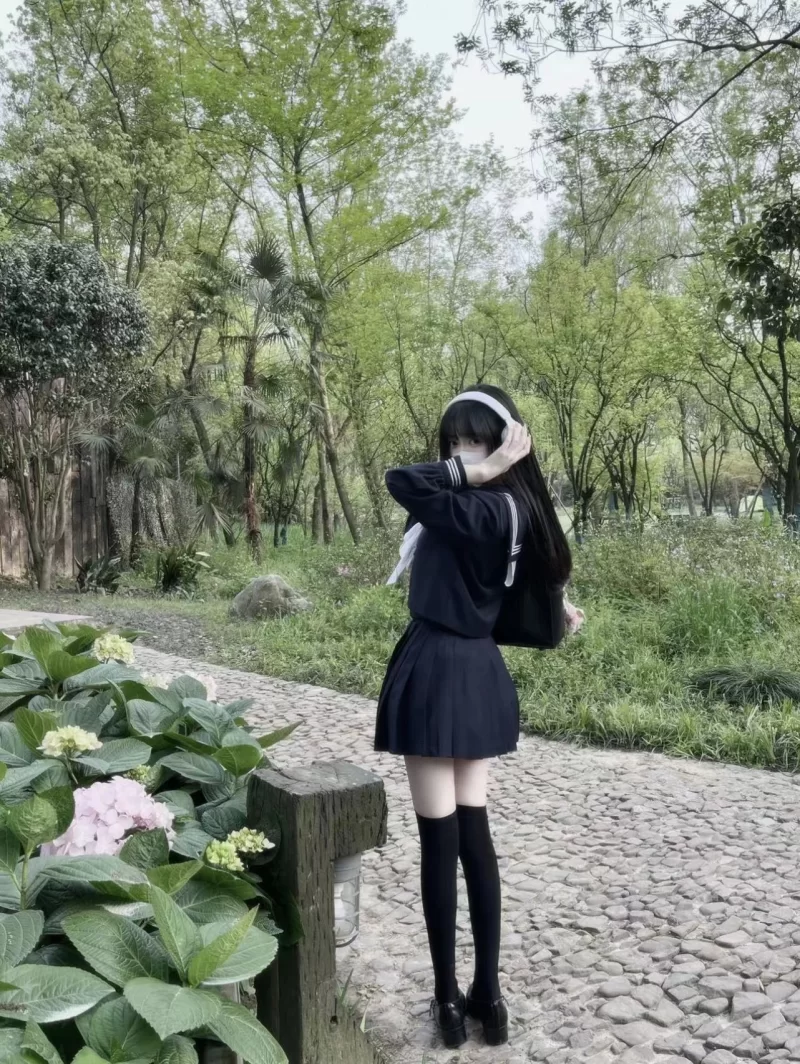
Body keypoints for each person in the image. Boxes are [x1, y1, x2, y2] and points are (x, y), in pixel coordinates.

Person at [375, 384, 574, 1049]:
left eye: (476, 440)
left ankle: (449, 1000)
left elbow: (400, 479)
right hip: (479, 672)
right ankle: (488, 995)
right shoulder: (516, 511)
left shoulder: (467, 503)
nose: (462, 452)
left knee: (441, 844)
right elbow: (529, 583)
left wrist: (479, 471)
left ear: (504, 443)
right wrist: (490, 470)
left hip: (435, 671)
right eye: (455, 441)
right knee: (474, 836)